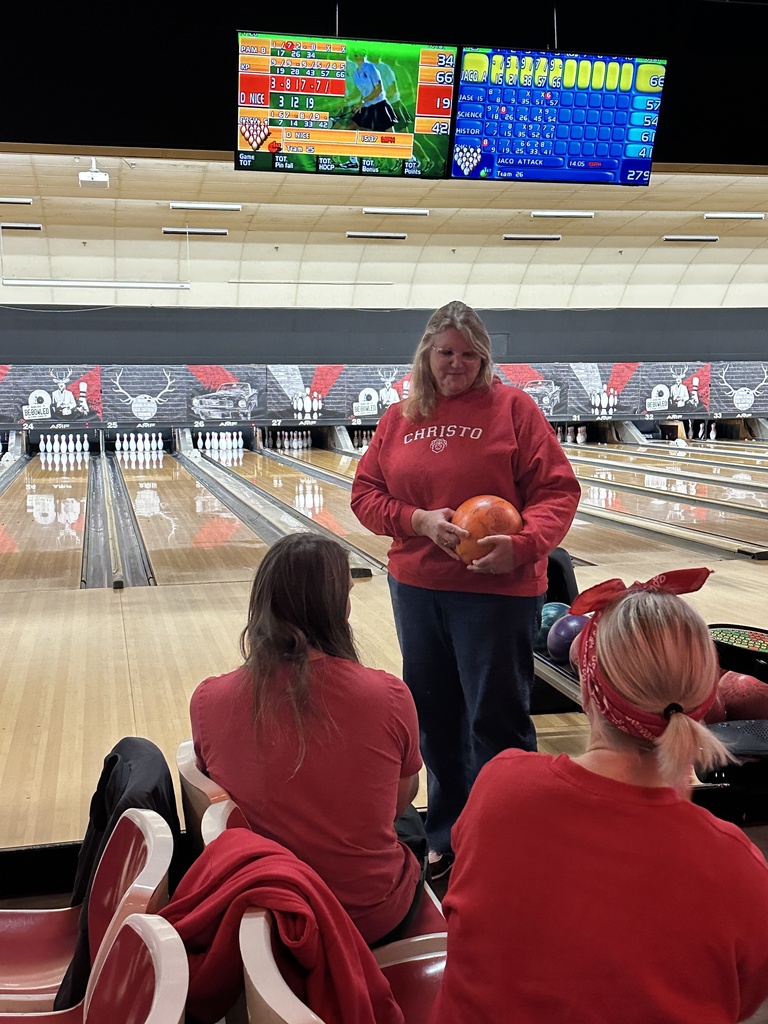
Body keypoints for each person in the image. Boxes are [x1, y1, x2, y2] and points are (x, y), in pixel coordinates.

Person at [431, 569, 768, 1024]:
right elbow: (740, 1002)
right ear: (707, 704)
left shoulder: (500, 786)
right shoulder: (740, 870)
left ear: (587, 691)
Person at [350, 300, 580, 877]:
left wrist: (523, 546)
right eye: (446, 352)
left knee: (496, 719)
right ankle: (447, 835)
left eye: (469, 354)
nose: (457, 364)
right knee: (437, 717)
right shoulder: (399, 417)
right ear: (427, 354)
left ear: (485, 357)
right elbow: (365, 496)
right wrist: (417, 521)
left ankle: (509, 835)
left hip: (497, 593)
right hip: (418, 587)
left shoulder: (514, 409)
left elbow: (558, 492)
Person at [189, 533, 426, 946]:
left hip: (267, 917)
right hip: (367, 920)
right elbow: (397, 803)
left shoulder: (208, 699)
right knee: (409, 822)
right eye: (347, 594)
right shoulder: (387, 695)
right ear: (336, 608)